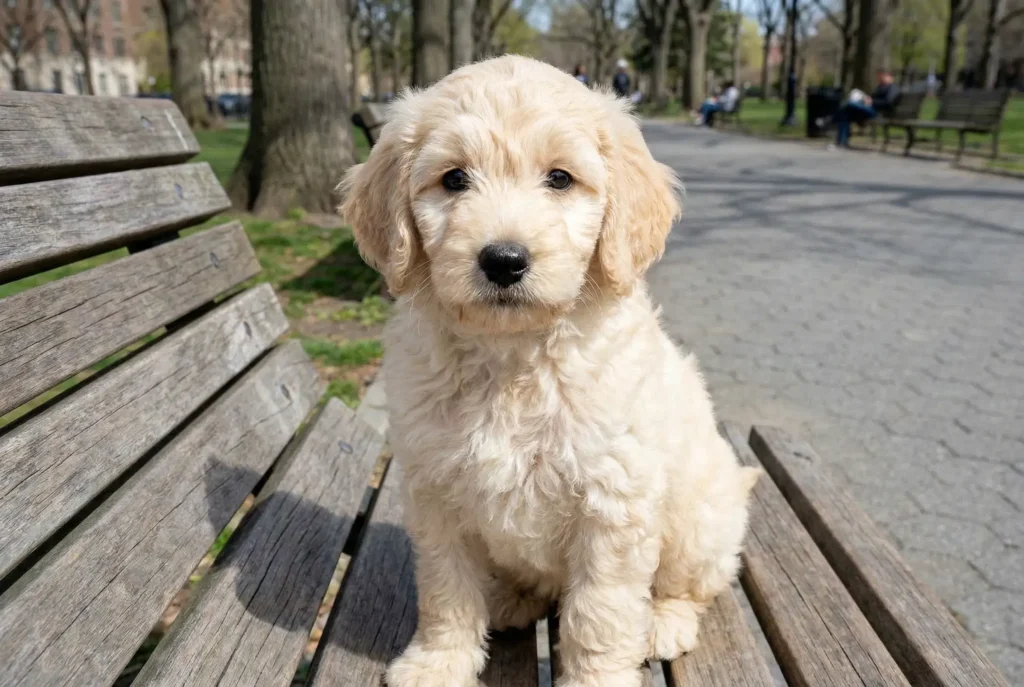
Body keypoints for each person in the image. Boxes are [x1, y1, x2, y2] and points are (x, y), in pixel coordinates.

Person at [832, 71, 900, 148]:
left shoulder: (893, 88)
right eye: (881, 77)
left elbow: (888, 102)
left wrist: (872, 101)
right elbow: (872, 98)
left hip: (878, 112)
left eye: (884, 76)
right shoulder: (880, 87)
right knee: (844, 114)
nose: (882, 78)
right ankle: (842, 142)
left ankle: (832, 119)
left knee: (849, 104)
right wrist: (866, 99)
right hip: (869, 109)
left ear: (890, 78)